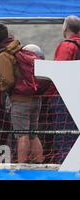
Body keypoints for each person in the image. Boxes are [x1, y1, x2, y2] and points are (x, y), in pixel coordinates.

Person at [0, 23, 43, 163]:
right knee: (33, 134)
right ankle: (39, 162)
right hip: (35, 98)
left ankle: (21, 167)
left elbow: (8, 81)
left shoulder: (4, 55)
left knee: (22, 135)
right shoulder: (19, 49)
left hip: (20, 100)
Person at [45, 15, 80, 163]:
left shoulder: (67, 46)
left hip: (66, 99)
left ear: (65, 28)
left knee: (64, 137)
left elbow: (59, 73)